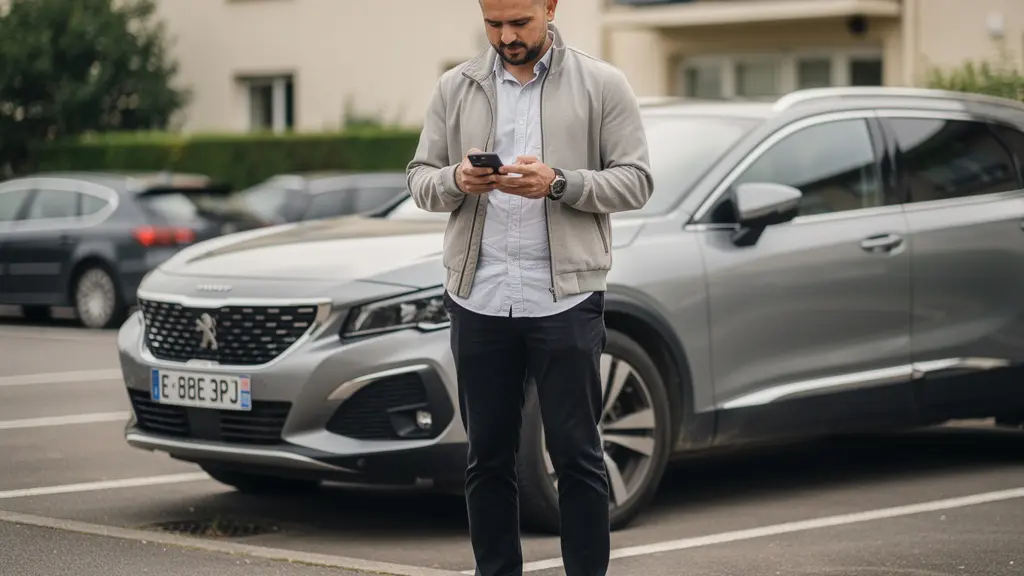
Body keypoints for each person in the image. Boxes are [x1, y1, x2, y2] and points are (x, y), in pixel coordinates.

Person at [406, 0, 653, 574]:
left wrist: (559, 182)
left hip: (563, 297)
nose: (506, 36)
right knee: (487, 459)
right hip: (480, 297)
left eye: (519, 22)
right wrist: (457, 179)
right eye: (494, 24)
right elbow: (419, 178)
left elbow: (637, 180)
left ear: (550, 6)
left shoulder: (603, 83)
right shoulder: (455, 86)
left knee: (577, 456)